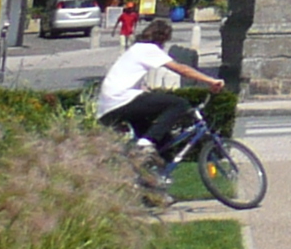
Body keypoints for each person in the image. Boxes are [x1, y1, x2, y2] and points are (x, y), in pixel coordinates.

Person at [95, 16, 221, 158]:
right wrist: (210, 81)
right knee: (179, 104)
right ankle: (145, 143)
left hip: (109, 106)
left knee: (163, 142)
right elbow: (181, 69)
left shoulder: (136, 49)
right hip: (121, 100)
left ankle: (155, 176)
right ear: (162, 37)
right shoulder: (148, 49)